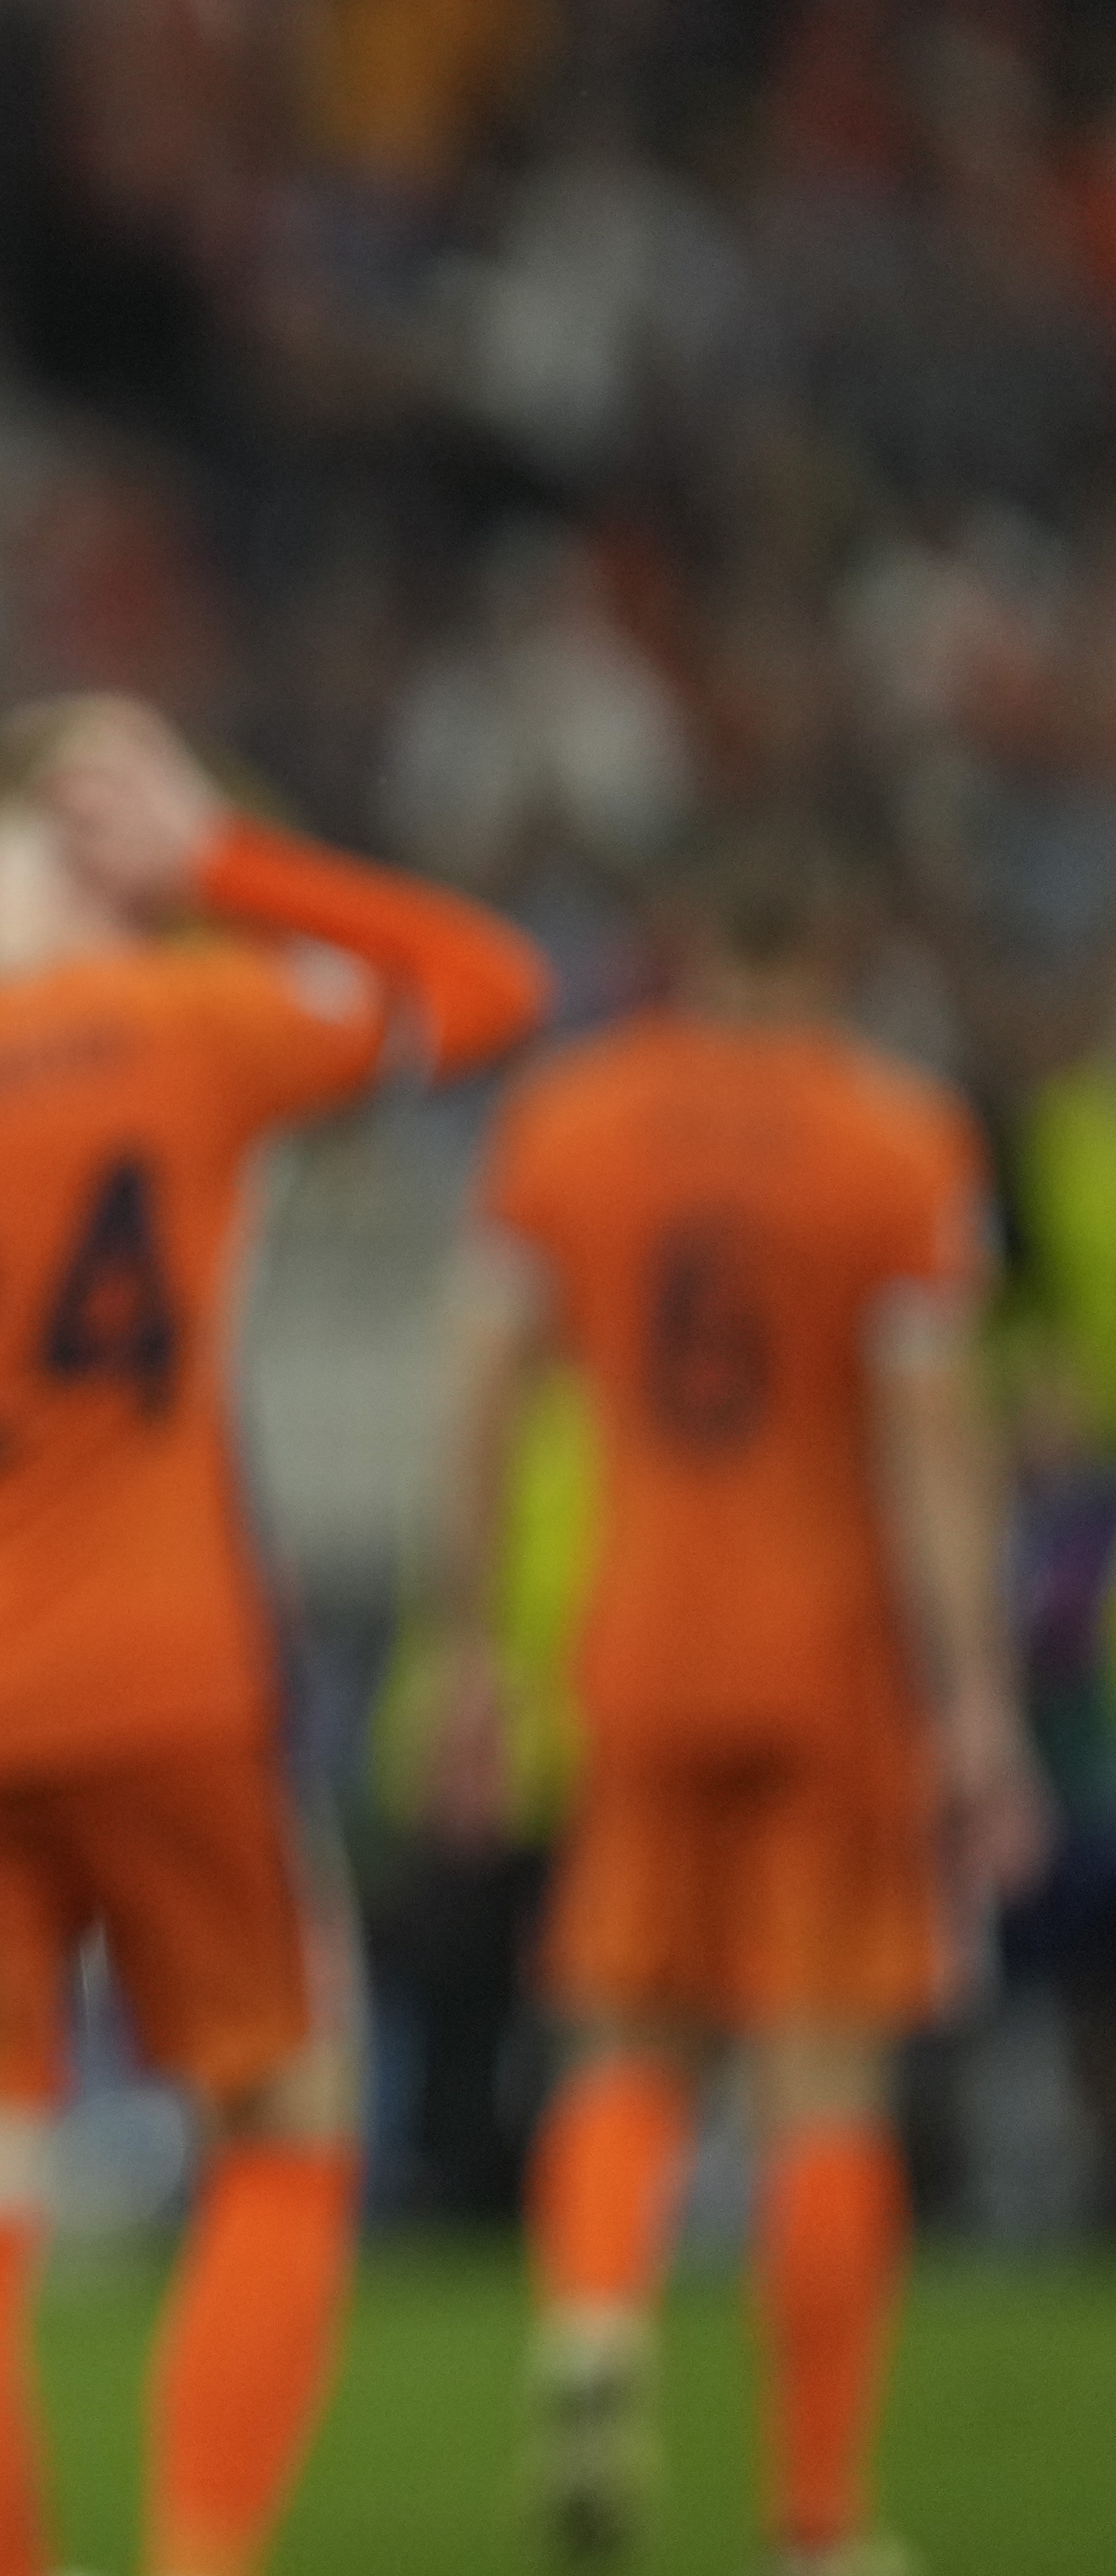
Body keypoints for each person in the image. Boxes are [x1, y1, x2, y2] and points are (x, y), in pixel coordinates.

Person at [0, 698, 549, 2576]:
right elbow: (488, 984)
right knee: (287, 2121)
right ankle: (199, 2557)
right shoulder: (186, 1025)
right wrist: (229, 864)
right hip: (167, 1677)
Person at [427, 849, 1049, 2576]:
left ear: (676, 947)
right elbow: (930, 1441)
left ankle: (592, 2324)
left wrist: (471, 1648)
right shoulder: (895, 1137)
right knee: (820, 2083)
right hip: (827, 1664)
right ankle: (815, 2522)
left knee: (625, 2036)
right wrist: (975, 1700)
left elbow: (479, 1393)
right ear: (836, 945)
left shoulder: (566, 1121)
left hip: (635, 1644)